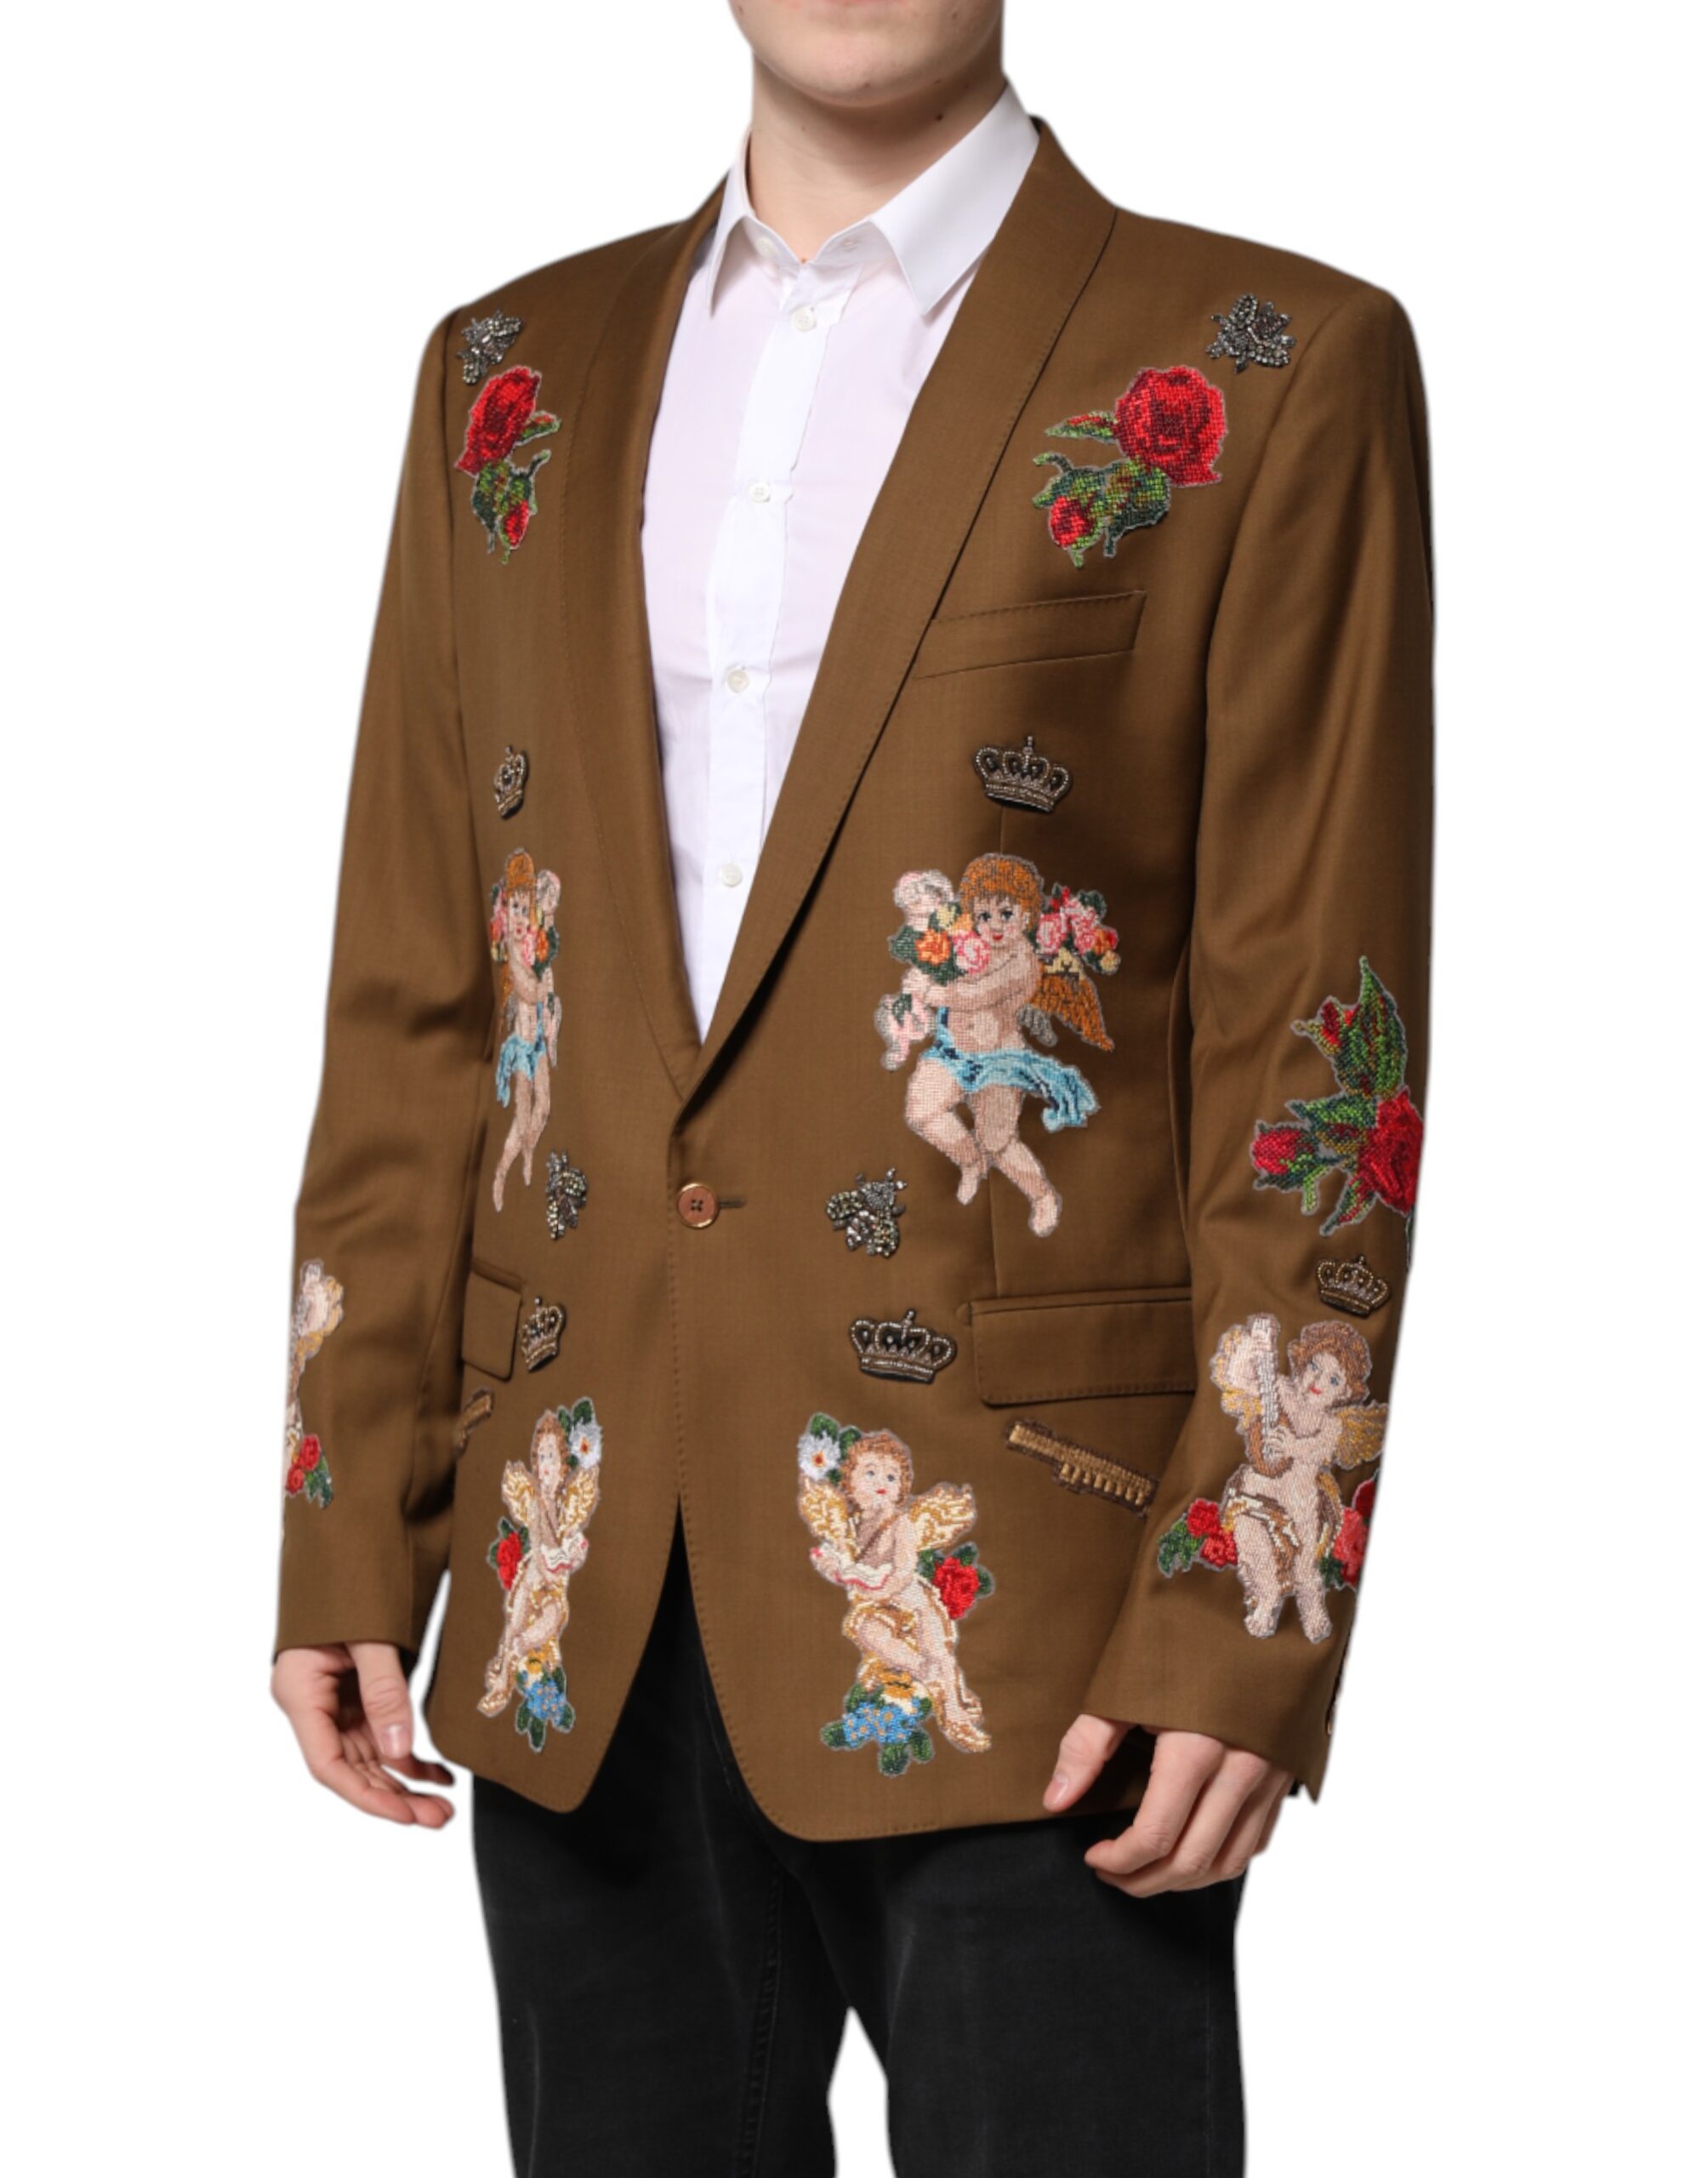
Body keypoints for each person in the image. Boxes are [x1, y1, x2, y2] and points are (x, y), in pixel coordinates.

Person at [271, 1, 1432, 2169]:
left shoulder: (1263, 362)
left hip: (1050, 1617)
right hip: (574, 1571)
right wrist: (353, 1509)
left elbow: (1316, 1045)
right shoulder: (505, 372)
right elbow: (425, 990)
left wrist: (1248, 1606)